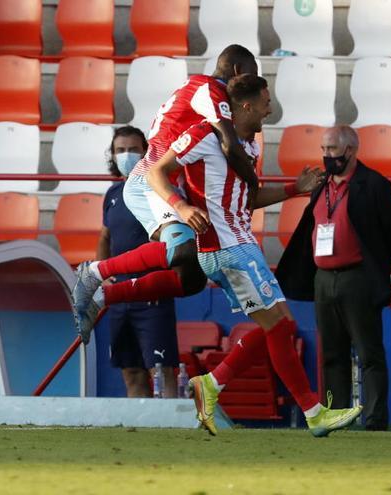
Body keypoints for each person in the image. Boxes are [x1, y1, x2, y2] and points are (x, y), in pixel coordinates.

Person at [147, 74, 361, 437]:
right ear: (245, 105)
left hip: (243, 244)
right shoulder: (203, 134)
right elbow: (157, 172)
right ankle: (313, 412)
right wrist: (181, 208)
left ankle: (211, 384)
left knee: (279, 326)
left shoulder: (249, 147)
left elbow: (247, 199)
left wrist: (296, 188)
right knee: (280, 327)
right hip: (225, 249)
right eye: (265, 101)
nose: (270, 107)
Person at [71, 44, 261, 345]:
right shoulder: (210, 89)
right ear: (237, 71)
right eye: (251, 77)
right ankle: (94, 271)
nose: (250, 88)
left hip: (168, 181)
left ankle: (106, 294)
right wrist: (252, 181)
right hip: (153, 179)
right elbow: (227, 142)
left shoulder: (200, 92)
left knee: (192, 280)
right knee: (182, 251)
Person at [275, 126, 391, 431]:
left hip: (358, 276)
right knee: (331, 354)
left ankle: (374, 420)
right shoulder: (322, 186)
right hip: (323, 278)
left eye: (331, 149)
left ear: (350, 150)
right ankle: (336, 415)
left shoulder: (373, 184)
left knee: (368, 352)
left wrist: (375, 269)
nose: (325, 155)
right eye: (323, 148)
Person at [99, 125, 178, 398]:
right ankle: (139, 433)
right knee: (130, 369)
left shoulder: (161, 190)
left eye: (133, 149)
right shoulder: (111, 195)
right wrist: (102, 271)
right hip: (120, 297)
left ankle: (171, 433)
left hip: (152, 292)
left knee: (162, 369)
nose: (126, 155)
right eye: (120, 150)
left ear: (146, 152)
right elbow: (106, 236)